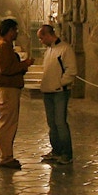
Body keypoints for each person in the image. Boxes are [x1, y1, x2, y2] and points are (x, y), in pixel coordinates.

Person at [0, 18, 34, 170]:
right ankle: (6, 156)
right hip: (8, 90)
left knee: (6, 123)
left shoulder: (5, 46)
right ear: (9, 31)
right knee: (8, 124)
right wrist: (24, 65)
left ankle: (2, 153)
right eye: (15, 30)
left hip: (9, 89)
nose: (16, 33)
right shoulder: (3, 47)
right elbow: (6, 69)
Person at [37, 24, 77, 165]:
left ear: (48, 35)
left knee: (60, 122)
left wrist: (60, 83)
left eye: (42, 38)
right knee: (51, 123)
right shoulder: (49, 50)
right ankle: (56, 150)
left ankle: (66, 153)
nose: (41, 41)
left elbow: (71, 70)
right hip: (48, 91)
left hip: (59, 92)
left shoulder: (65, 49)